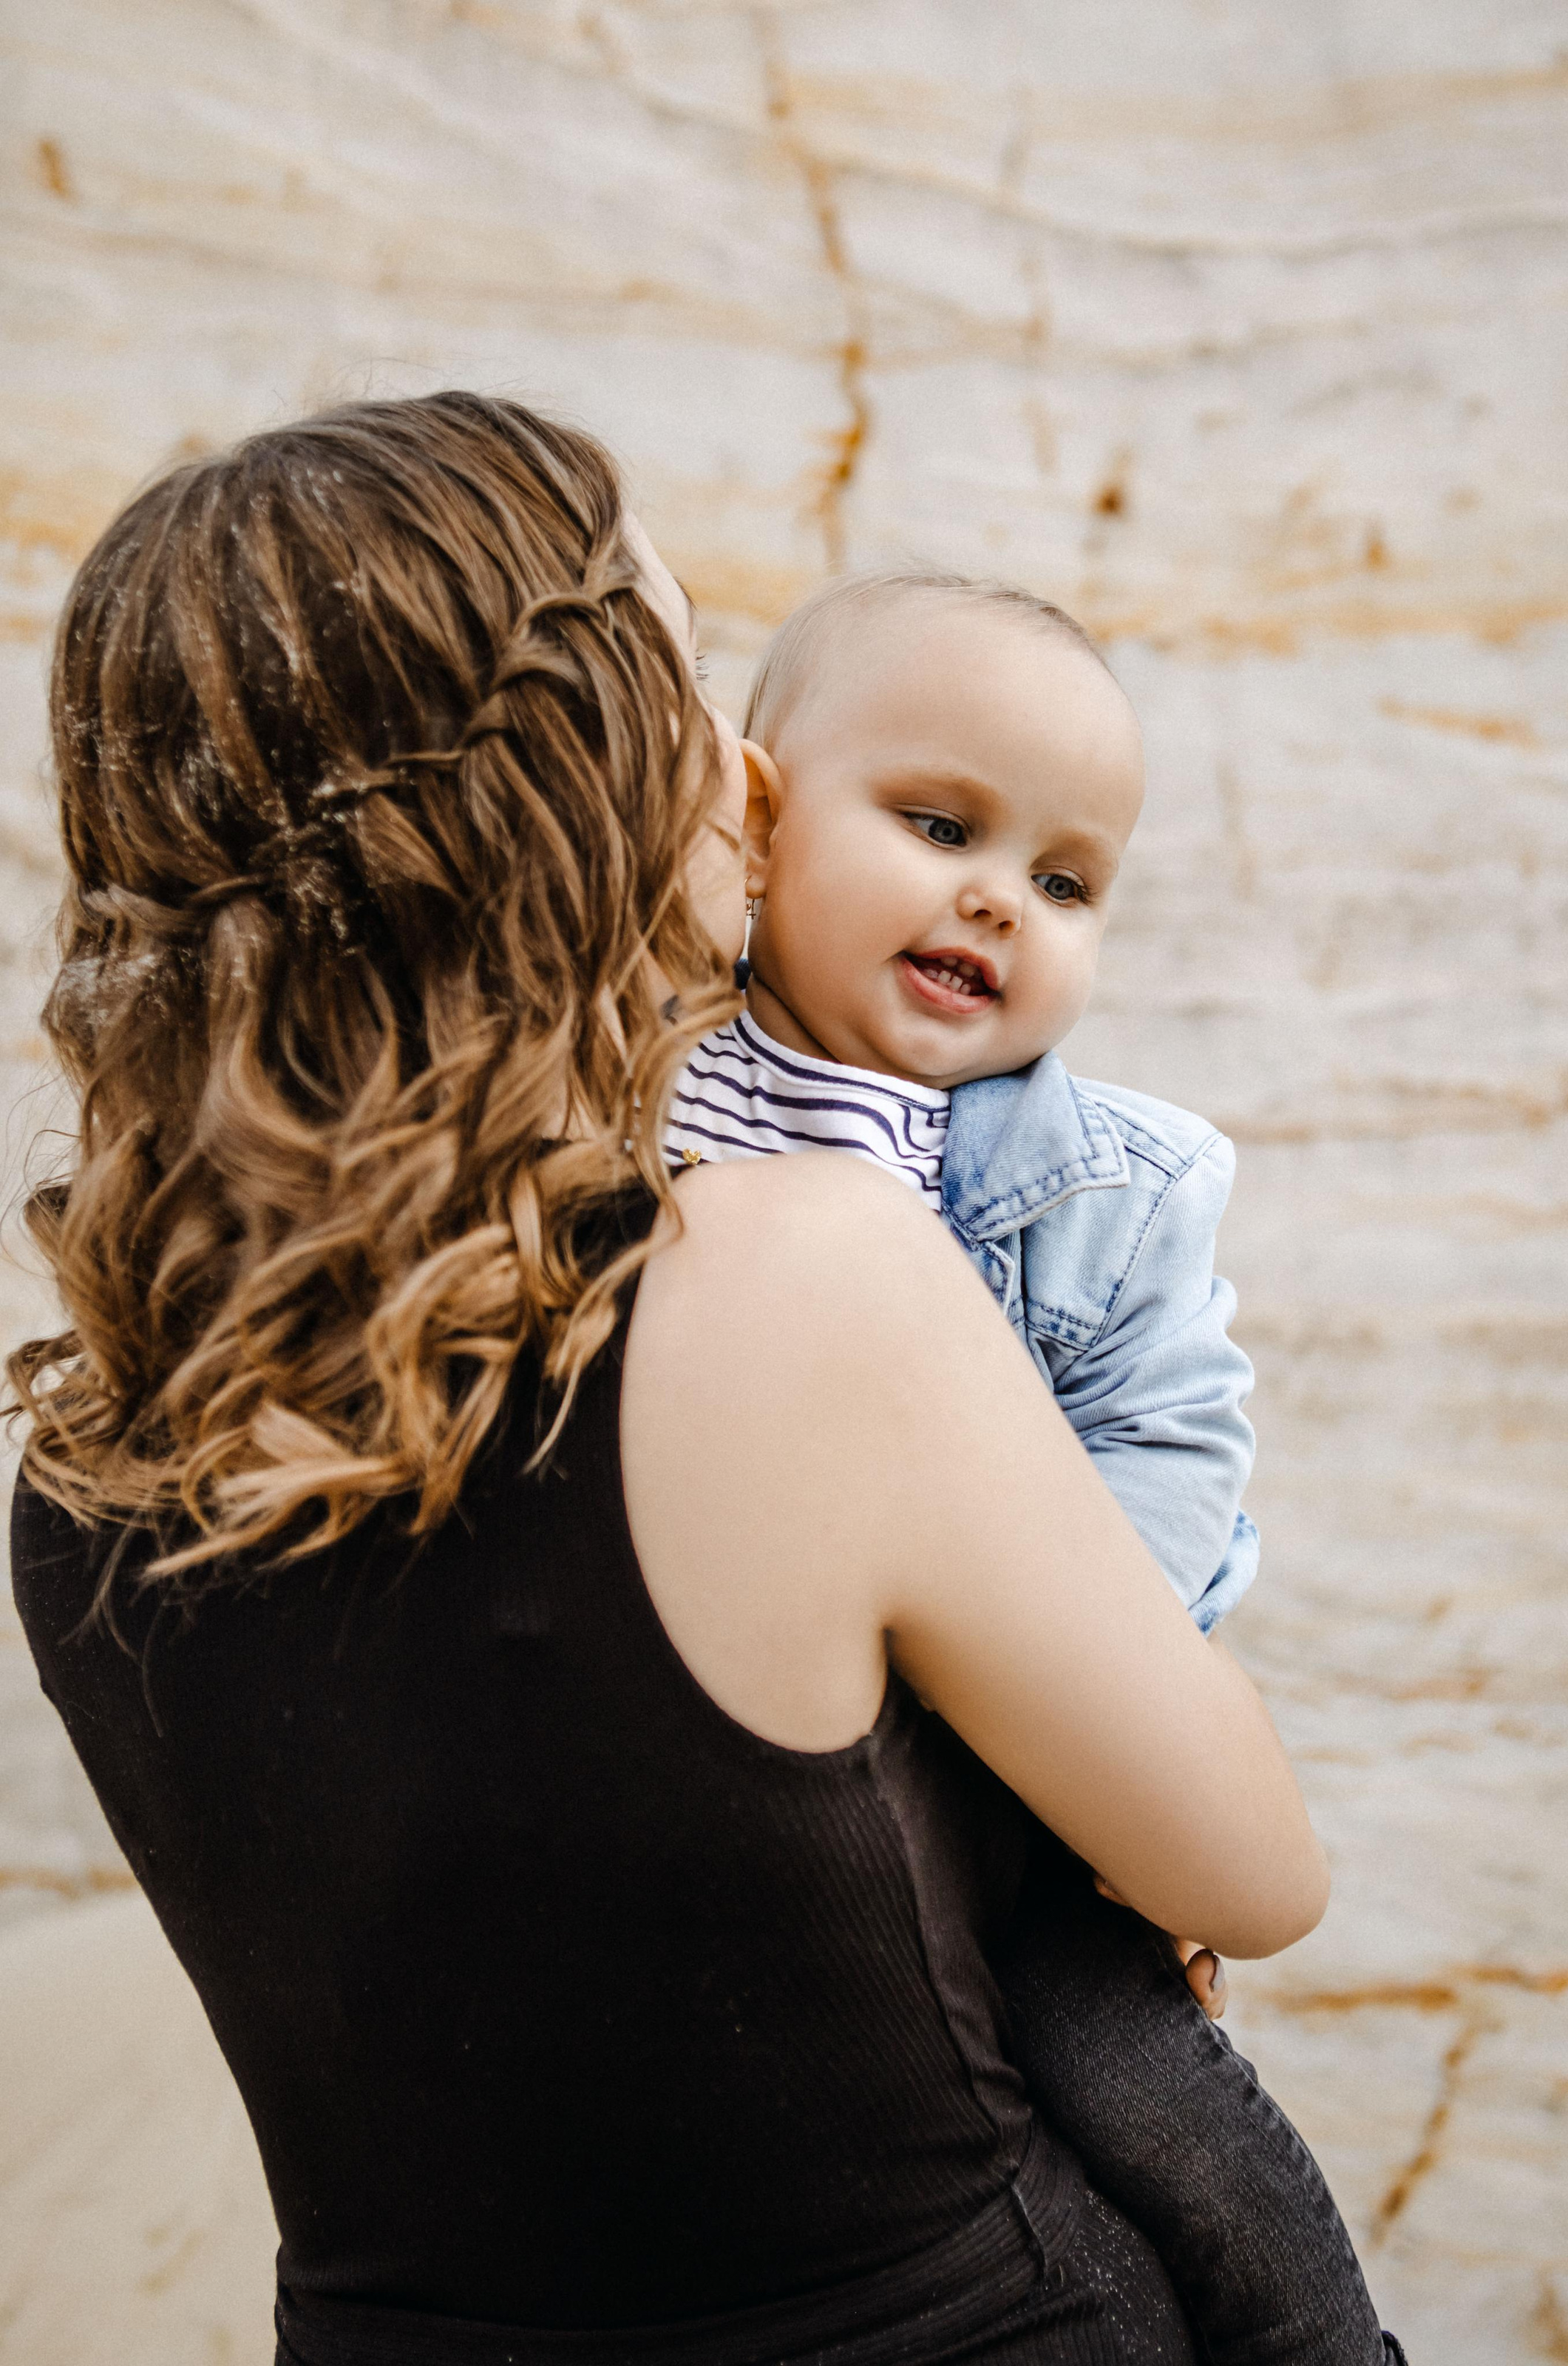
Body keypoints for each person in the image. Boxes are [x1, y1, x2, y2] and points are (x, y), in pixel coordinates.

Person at [9, 391, 1331, 2366]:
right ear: (557, 780)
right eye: (681, 673)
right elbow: (1254, 1872)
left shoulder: (88, 1450)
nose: (743, 763)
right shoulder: (803, 1277)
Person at [661, 569, 1398, 2366]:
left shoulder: (1106, 1187)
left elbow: (1171, 1439)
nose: (1000, 896)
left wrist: (1086, 1699)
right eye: (936, 824)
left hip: (1021, 1765)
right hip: (774, 1771)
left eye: (1068, 882)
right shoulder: (637, 1091)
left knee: (1151, 2095)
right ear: (755, 816)